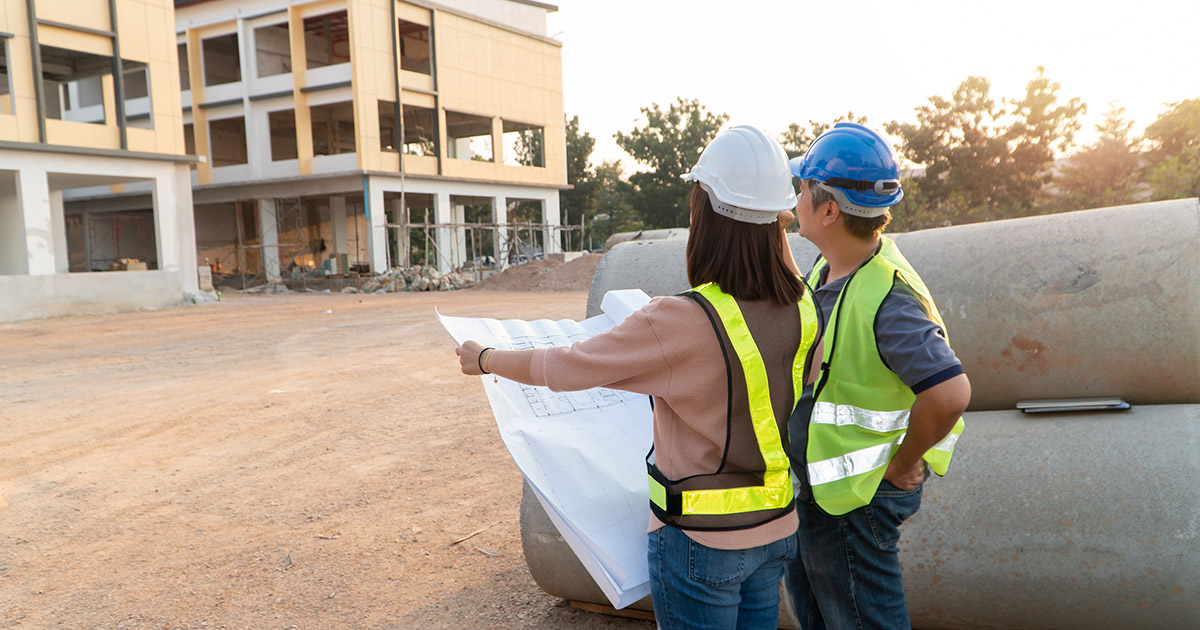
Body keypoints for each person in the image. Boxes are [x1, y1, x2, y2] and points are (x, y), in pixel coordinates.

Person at [456, 125, 822, 630]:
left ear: (706, 217)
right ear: (777, 223)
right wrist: (770, 220)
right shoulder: (803, 306)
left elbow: (563, 366)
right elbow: (780, 264)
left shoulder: (681, 320)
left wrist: (486, 358)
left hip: (700, 544)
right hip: (776, 531)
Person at [784, 123, 971, 629]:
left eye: (803, 189)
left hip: (859, 497)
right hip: (825, 490)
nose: (796, 196)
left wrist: (904, 461)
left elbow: (951, 392)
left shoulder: (887, 299)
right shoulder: (832, 269)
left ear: (828, 211)